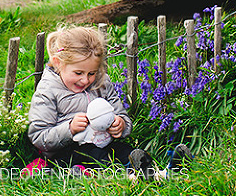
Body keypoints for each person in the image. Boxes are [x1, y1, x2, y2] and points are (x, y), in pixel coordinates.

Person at [27, 25, 159, 177]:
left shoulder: (102, 83)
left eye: (91, 73)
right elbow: (39, 136)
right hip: (68, 150)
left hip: (105, 142)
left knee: (123, 150)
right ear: (58, 63)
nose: (85, 80)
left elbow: (121, 115)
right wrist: (69, 129)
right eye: (78, 73)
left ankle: (148, 170)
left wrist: (121, 125)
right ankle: (122, 176)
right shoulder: (48, 90)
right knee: (93, 155)